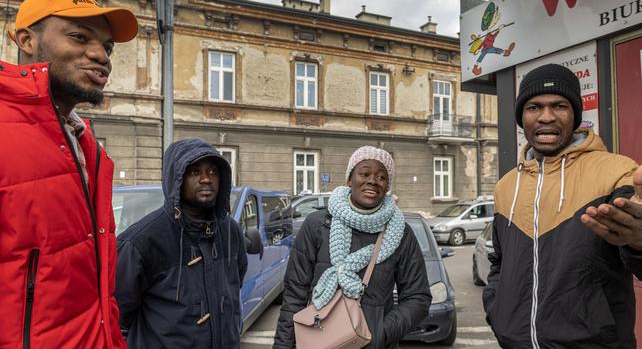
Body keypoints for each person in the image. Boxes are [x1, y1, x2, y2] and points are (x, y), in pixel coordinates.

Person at [0, 0, 138, 348]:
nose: (101, 56)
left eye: (107, 47)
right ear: (28, 40)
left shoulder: (88, 147)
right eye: (79, 37)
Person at [485, 63, 642, 348]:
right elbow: (498, 263)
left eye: (559, 106)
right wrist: (497, 310)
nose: (546, 117)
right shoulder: (506, 185)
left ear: (575, 116)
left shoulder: (617, 173)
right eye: (534, 107)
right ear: (521, 117)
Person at [273, 146, 431, 349]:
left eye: (381, 177)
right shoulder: (317, 225)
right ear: (349, 179)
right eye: (364, 173)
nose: (372, 181)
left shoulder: (401, 233)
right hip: (318, 340)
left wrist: (379, 333)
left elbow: (418, 297)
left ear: (387, 186)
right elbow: (294, 295)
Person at [116, 138, 248, 348]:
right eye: (195, 172)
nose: (206, 179)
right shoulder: (141, 241)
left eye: (213, 171)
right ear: (176, 180)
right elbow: (117, 319)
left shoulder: (230, 231)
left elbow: (235, 286)